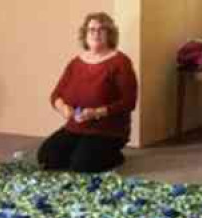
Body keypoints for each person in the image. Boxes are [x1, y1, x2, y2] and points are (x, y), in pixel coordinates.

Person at [37, 12, 138, 173]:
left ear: (110, 34)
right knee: (47, 157)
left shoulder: (121, 62)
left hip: (108, 130)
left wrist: (97, 112)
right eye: (91, 30)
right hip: (76, 126)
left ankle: (115, 155)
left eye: (101, 29)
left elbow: (129, 102)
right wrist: (63, 108)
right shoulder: (76, 63)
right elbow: (56, 95)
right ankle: (82, 149)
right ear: (85, 34)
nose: (96, 34)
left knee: (82, 165)